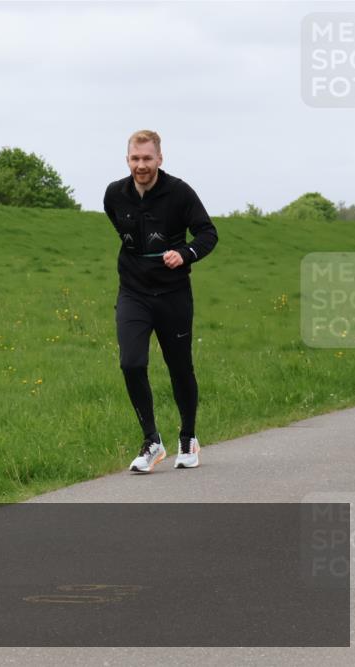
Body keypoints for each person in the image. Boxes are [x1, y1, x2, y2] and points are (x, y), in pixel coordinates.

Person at [103, 130, 218, 473]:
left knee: (180, 368)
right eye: (135, 159)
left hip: (173, 295)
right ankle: (152, 441)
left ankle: (188, 437)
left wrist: (185, 254)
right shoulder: (114, 194)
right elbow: (124, 232)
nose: (141, 165)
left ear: (160, 159)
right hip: (133, 293)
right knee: (132, 363)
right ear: (128, 160)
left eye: (147, 159)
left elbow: (208, 233)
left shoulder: (179, 192)